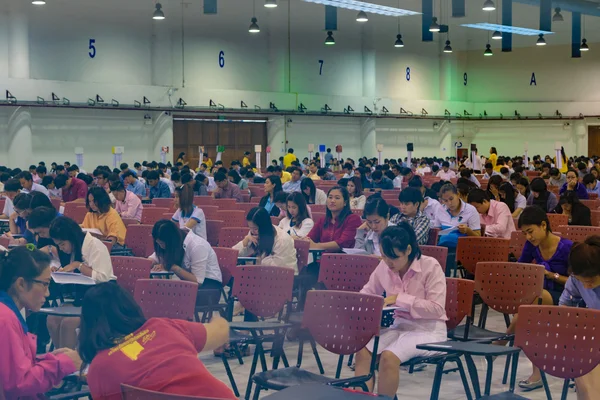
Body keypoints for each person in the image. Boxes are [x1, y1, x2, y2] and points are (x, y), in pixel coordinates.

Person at [78, 283, 235, 400]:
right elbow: (220, 332)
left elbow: (129, 355)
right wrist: (219, 320)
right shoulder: (163, 327)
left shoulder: (100, 368)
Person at [355, 224, 447, 398]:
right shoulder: (384, 266)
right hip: (398, 326)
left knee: (389, 356)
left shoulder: (430, 266)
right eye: (384, 256)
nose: (388, 262)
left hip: (429, 329)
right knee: (363, 351)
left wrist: (399, 299)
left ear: (408, 250)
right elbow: (367, 292)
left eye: (394, 257)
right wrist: (360, 304)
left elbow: (436, 309)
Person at [0, 247, 82, 398]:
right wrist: (63, 363)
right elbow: (19, 384)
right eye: (44, 284)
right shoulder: (5, 320)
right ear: (21, 284)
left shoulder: (8, 312)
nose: (48, 293)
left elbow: (11, 367)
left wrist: (48, 359)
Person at [514, 206, 573, 391]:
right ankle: (537, 373)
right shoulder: (531, 246)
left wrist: (550, 275)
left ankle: (506, 337)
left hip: (565, 296)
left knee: (535, 302)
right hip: (539, 296)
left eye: (530, 232)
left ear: (543, 225)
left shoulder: (567, 247)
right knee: (533, 315)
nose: (529, 237)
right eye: (524, 234)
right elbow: (520, 267)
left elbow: (576, 283)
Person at [47, 216, 116, 349]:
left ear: (72, 237)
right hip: (80, 298)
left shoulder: (95, 246)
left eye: (62, 244)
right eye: (58, 245)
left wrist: (78, 266)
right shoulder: (73, 250)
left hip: (101, 299)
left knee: (68, 323)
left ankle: (70, 366)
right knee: (52, 320)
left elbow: (103, 278)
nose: (60, 248)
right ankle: (61, 361)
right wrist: (60, 272)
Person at [558, 237, 600, 399]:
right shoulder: (576, 279)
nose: (587, 286)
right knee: (579, 350)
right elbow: (564, 309)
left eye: (592, 281)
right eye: (584, 281)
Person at [149, 220, 222, 303]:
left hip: (208, 289)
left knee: (167, 296)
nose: (161, 247)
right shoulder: (173, 241)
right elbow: (154, 258)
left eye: (162, 244)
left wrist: (173, 267)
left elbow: (197, 282)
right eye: (158, 244)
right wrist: (147, 265)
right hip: (190, 287)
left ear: (171, 241)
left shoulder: (197, 246)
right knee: (158, 293)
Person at [233, 207, 297, 272]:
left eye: (255, 229)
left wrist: (259, 259)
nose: (252, 231)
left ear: (264, 227)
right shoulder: (255, 233)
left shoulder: (282, 240)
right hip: (264, 275)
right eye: (250, 228)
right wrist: (245, 241)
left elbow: (277, 267)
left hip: (285, 277)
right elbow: (234, 254)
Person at [306, 186, 362, 251]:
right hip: (322, 258)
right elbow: (310, 238)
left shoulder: (353, 219)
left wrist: (317, 246)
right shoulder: (322, 220)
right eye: (330, 197)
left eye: (337, 198)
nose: (332, 201)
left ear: (345, 202)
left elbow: (342, 243)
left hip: (344, 259)